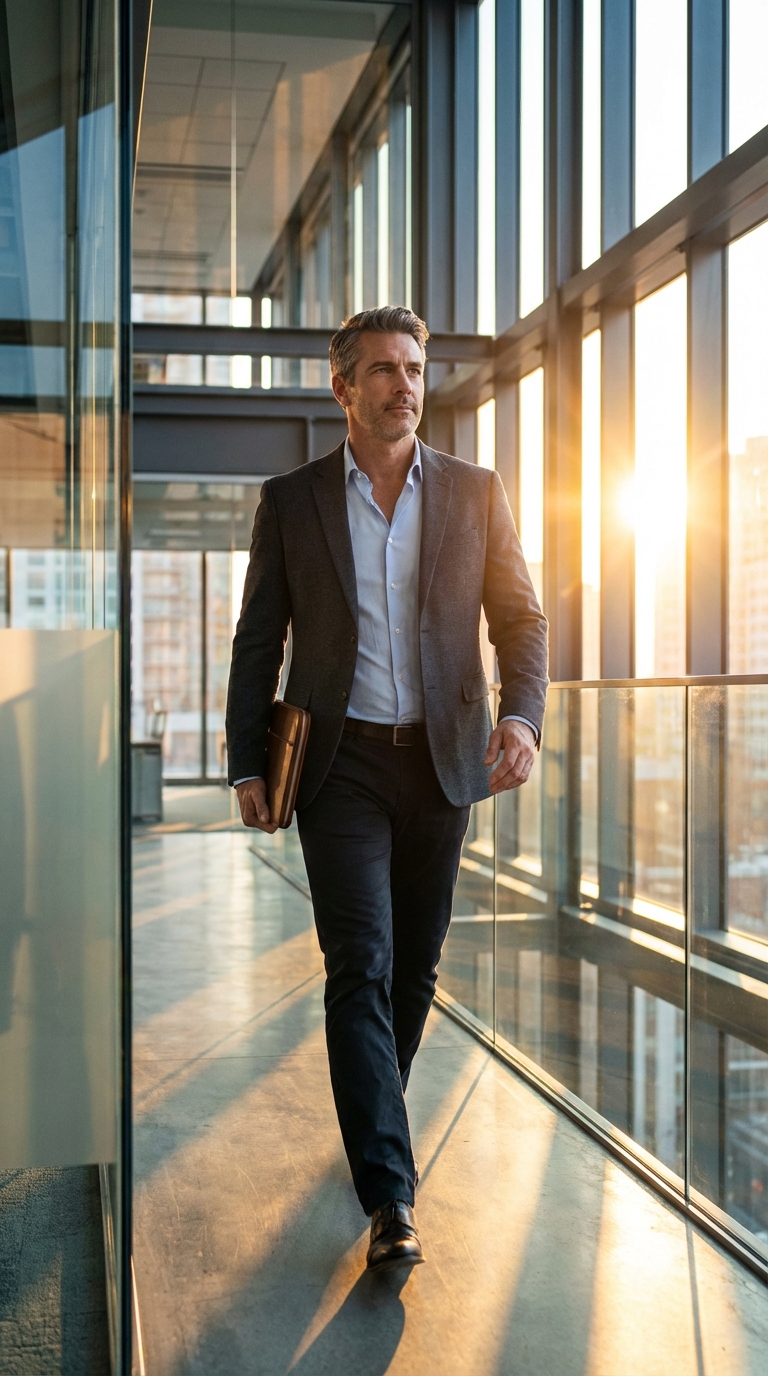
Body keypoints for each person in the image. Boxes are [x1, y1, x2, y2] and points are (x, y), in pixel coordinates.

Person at [226, 306, 548, 1274]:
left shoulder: (476, 491)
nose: (404, 384)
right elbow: (258, 638)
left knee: (415, 971)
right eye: (382, 370)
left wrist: (523, 717)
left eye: (412, 368)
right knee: (359, 963)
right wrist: (247, 760)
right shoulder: (292, 502)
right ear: (343, 388)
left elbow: (522, 621)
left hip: (444, 762)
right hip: (341, 767)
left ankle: (376, 1121)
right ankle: (390, 1195)